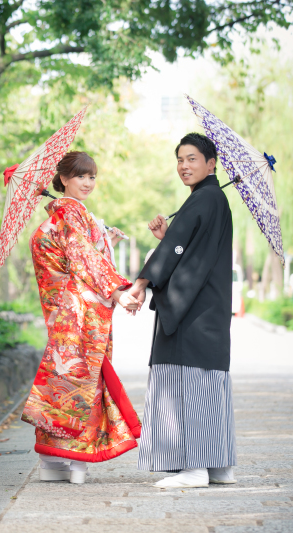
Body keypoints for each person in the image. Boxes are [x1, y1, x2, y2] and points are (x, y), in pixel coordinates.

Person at [22, 151, 142, 484]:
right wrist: (117, 291)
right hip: (82, 315)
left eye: (92, 177)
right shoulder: (72, 213)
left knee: (61, 383)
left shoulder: (53, 218)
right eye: (81, 177)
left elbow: (72, 263)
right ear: (63, 179)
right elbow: (82, 260)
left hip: (62, 314)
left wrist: (106, 241)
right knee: (86, 383)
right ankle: (77, 462)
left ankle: (51, 462)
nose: (88, 183)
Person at [127, 133, 237, 489]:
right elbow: (184, 246)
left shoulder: (205, 199)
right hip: (209, 308)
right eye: (180, 159)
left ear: (211, 163)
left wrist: (141, 284)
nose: (184, 166)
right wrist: (168, 238)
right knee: (208, 381)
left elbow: (178, 250)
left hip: (193, 310)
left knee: (190, 381)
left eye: (192, 159)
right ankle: (218, 465)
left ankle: (195, 468)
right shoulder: (212, 199)